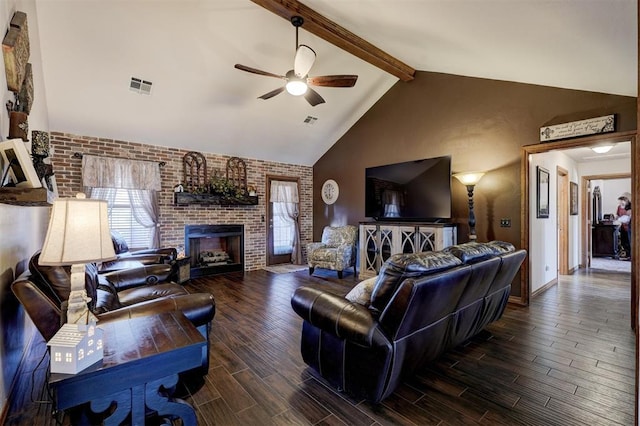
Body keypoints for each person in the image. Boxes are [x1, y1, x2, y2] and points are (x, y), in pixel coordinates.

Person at [616, 194, 632, 259]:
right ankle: (627, 255)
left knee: (629, 241)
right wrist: (616, 218)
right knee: (623, 241)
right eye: (619, 202)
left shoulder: (629, 206)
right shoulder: (619, 207)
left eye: (622, 201)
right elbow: (617, 215)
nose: (620, 203)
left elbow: (629, 215)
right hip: (622, 226)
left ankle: (631, 256)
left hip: (629, 225)